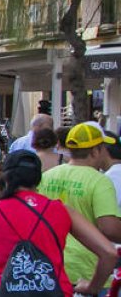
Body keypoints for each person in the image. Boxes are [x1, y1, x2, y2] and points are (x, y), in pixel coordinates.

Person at [0, 150, 117, 297]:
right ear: (38, 178)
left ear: (6, 177)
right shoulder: (62, 210)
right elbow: (109, 253)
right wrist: (93, 287)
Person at [36, 121, 121, 285]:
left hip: (49, 267)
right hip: (88, 270)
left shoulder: (47, 176)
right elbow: (109, 228)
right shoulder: (99, 181)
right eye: (103, 148)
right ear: (96, 151)